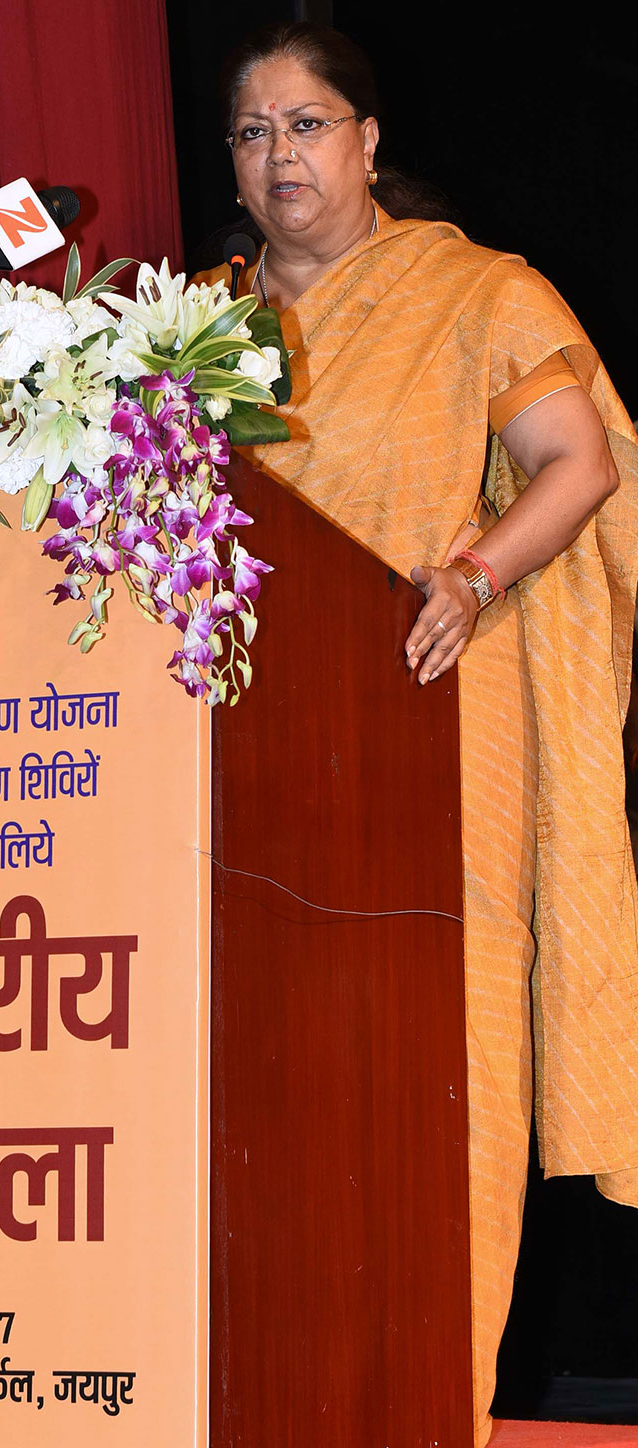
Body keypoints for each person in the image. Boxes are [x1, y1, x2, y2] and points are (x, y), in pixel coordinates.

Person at [197, 21, 638, 1448]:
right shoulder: (190, 328)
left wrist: (473, 576)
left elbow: (578, 461)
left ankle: (428, 1408)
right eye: (253, 132)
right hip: (237, 757)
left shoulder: (477, 291)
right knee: (257, 1095)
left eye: (307, 124)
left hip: (433, 717)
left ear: (369, 140)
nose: (281, 156)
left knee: (437, 1084)